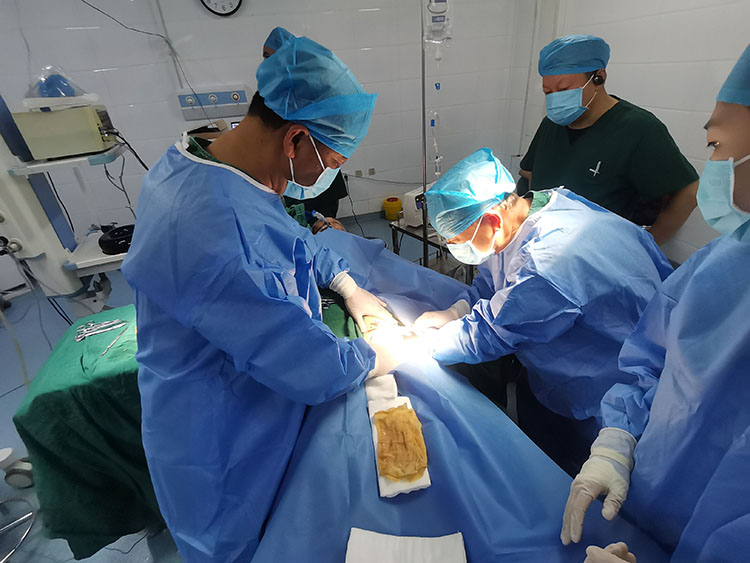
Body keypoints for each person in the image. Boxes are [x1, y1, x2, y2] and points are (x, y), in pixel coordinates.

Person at [121, 36, 397, 562]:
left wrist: (348, 286)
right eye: (333, 160)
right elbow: (310, 365)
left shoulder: (200, 163)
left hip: (236, 400)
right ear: (295, 140)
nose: (329, 175)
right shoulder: (219, 233)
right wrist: (380, 354)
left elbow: (283, 237)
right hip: (222, 443)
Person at [562, 45, 750, 562]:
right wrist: (615, 442)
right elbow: (651, 359)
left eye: (715, 143)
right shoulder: (723, 262)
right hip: (645, 513)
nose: (714, 162)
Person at [413, 148, 673, 473]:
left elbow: (491, 333)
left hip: (606, 392)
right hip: (555, 373)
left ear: (493, 220)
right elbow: (496, 276)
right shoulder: (537, 208)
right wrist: (459, 309)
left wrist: (420, 345)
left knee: (571, 477)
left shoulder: (549, 263)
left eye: (456, 240)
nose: (454, 248)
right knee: (536, 447)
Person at [519, 35, 699, 245]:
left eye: (564, 89)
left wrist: (647, 246)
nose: (555, 99)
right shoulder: (552, 124)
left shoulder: (637, 128)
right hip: (542, 245)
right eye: (548, 92)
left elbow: (689, 192)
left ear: (599, 78)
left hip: (600, 251)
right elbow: (529, 173)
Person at [262, 27, 350, 225]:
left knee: (325, 225)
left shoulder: (314, 87)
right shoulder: (274, 94)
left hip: (319, 174)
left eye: (273, 58)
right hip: (293, 175)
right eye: (266, 58)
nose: (268, 65)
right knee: (299, 223)